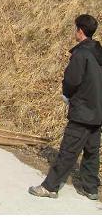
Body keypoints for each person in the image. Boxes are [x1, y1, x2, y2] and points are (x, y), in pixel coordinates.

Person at [29, 14, 102, 200]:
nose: (74, 31)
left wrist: (67, 95)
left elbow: (72, 80)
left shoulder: (81, 53)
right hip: (97, 111)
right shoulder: (98, 52)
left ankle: (50, 187)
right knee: (92, 152)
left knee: (68, 151)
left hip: (82, 111)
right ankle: (90, 188)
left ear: (80, 30)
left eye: (75, 28)